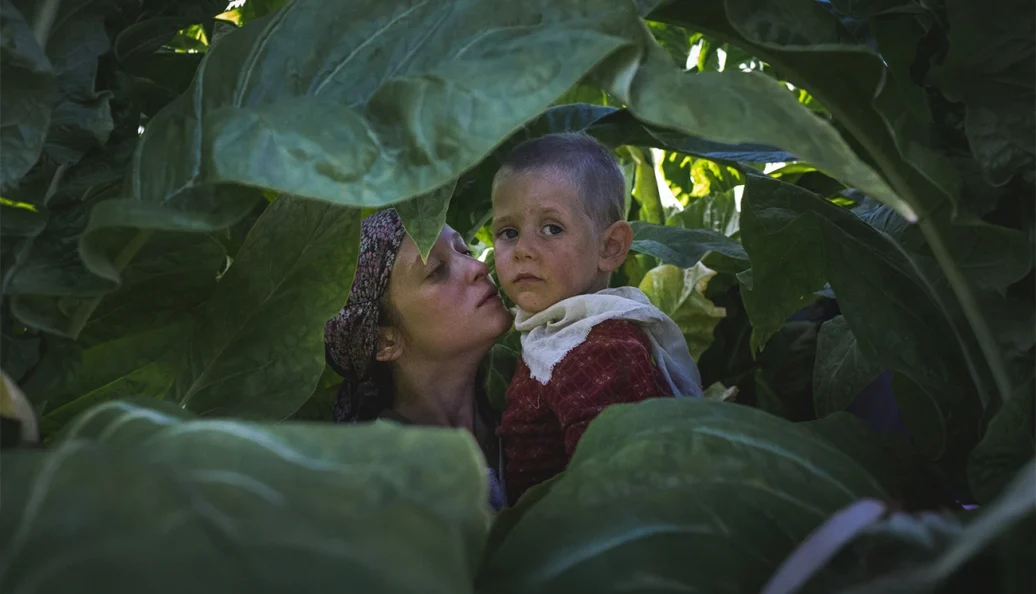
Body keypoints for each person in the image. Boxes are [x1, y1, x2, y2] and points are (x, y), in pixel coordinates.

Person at [491, 132, 704, 502]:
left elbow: (618, 492)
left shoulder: (601, 349)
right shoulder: (556, 330)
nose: (523, 249)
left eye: (552, 228)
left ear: (610, 248)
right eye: (508, 232)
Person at [324, 209, 514, 510]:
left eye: (464, 250)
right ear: (385, 341)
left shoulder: (533, 384)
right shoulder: (379, 487)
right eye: (437, 270)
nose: (478, 266)